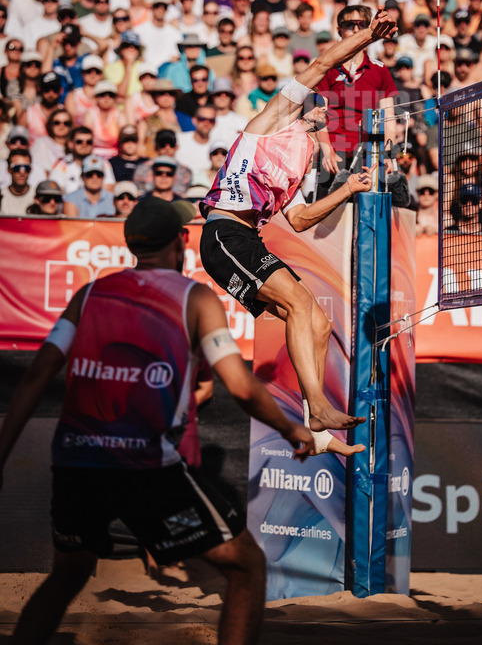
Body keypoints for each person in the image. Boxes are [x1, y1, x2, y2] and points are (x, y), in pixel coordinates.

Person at [0, 196, 312, 645]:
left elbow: (36, 376)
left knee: (67, 576)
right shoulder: (195, 297)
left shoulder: (89, 294)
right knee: (247, 566)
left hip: (75, 463)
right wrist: (292, 429)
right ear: (182, 241)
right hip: (144, 468)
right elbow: (241, 388)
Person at [199, 8, 397, 455]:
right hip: (223, 236)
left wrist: (346, 188)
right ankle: (320, 407)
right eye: (317, 102)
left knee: (319, 324)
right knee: (300, 302)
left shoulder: (301, 159)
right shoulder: (270, 123)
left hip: (246, 239)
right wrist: (367, 35)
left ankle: (319, 431)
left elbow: (301, 220)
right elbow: (323, 64)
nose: (324, 104)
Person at [315, 5, 397, 198]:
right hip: (334, 157)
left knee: (367, 218)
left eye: (361, 24)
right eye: (349, 24)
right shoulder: (327, 68)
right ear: (338, 30)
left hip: (368, 156)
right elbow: (318, 114)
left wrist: (387, 153)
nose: (355, 30)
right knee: (326, 220)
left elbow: (389, 118)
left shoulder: (380, 70)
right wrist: (327, 152)